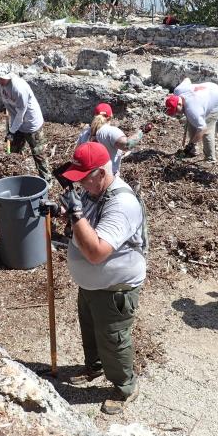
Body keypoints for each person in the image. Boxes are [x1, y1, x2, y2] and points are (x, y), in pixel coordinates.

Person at [59, 141, 146, 415]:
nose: (81, 185)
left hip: (114, 288)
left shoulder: (122, 204)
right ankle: (94, 367)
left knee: (113, 338)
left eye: (84, 178)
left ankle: (125, 386)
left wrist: (75, 215)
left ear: (101, 173)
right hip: (91, 284)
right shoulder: (94, 190)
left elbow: (96, 252)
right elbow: (85, 219)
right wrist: (63, 212)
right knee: (90, 329)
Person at [0, 71, 51, 183]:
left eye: (2, 78)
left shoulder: (19, 89)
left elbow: (21, 115)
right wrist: (12, 128)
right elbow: (9, 106)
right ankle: (13, 176)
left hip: (31, 124)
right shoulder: (1, 84)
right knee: (13, 152)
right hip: (17, 123)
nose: (0, 81)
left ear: (9, 77)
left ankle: (47, 180)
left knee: (38, 153)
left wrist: (11, 132)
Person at [165, 78, 218, 161]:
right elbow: (187, 79)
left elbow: (203, 128)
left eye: (176, 110)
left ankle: (210, 158)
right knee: (193, 121)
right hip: (208, 90)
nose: (176, 113)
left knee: (207, 129)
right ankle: (193, 150)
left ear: (180, 104)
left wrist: (190, 144)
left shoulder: (192, 110)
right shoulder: (178, 91)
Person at [75, 103, 144, 175]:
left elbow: (77, 155)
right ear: (110, 116)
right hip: (107, 178)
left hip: (88, 178)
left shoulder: (85, 133)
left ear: (94, 115)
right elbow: (127, 144)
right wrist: (141, 131)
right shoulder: (111, 131)